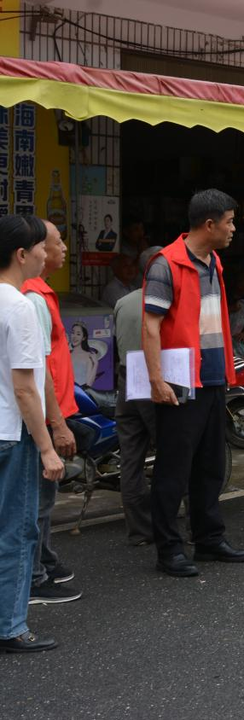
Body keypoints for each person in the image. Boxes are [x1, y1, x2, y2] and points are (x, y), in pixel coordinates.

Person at [142, 189, 244, 576]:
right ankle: (168, 549)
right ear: (209, 224)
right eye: (230, 221)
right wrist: (157, 379)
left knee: (210, 464)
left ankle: (208, 539)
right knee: (174, 469)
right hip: (179, 381)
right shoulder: (166, 264)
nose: (233, 229)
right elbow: (151, 325)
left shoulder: (214, 261)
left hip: (212, 377)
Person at [0, 214, 66, 653]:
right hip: (12, 433)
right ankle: (10, 626)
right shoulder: (20, 305)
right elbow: (25, 387)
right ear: (21, 255)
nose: (46, 253)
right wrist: (47, 448)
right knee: (17, 532)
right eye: (40, 247)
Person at [22, 221, 85, 605]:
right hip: (43, 415)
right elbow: (36, 370)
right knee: (36, 501)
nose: (62, 249)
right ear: (33, 252)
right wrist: (56, 424)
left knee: (41, 498)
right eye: (56, 243)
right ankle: (33, 578)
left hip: (51, 409)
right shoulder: (30, 298)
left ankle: (44, 559)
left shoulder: (39, 293)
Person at [113, 245, 163, 547]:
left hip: (125, 378)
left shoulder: (123, 302)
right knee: (171, 452)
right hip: (154, 378)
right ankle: (165, 522)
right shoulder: (163, 301)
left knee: (130, 459)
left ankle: (139, 530)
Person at [68, 320, 102, 387]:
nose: (74, 336)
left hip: (81, 393)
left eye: (78, 334)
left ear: (83, 337)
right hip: (67, 393)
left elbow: (89, 384)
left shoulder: (89, 356)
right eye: (73, 333)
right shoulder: (66, 355)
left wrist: (95, 364)